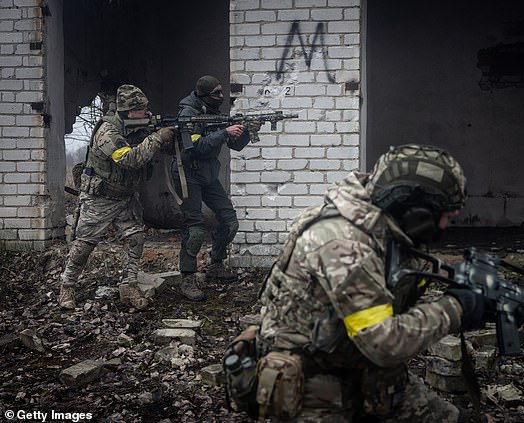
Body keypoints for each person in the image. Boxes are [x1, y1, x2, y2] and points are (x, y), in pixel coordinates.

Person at [251, 144, 487, 422]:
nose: (446, 227)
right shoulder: (343, 243)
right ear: (415, 210)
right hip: (314, 389)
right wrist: (456, 308)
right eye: (446, 216)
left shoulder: (382, 229)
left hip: (359, 367)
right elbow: (383, 343)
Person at [58, 84, 176, 311]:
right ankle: (67, 285)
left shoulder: (140, 127)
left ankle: (129, 285)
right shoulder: (107, 131)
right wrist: (157, 138)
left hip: (126, 197)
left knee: (135, 239)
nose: (146, 112)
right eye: (142, 109)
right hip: (100, 198)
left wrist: (167, 136)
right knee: (84, 245)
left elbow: (159, 150)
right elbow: (129, 159)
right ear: (129, 111)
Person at [171, 75, 260, 301]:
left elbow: (236, 146)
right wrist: (224, 132)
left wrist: (247, 130)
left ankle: (215, 265)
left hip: (208, 175)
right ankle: (188, 278)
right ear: (203, 95)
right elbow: (195, 148)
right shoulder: (187, 115)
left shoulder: (215, 114)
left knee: (230, 222)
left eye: (222, 92)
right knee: (195, 228)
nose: (221, 97)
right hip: (187, 173)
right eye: (216, 94)